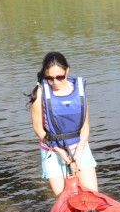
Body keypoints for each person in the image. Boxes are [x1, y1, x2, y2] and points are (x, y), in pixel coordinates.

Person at [28, 52, 99, 196]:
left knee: (92, 195)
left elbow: (85, 127)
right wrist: (58, 150)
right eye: (49, 78)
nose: (55, 82)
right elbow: (38, 128)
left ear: (67, 70)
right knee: (64, 198)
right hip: (52, 151)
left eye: (59, 77)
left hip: (79, 146)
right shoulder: (40, 94)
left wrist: (77, 156)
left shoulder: (78, 92)